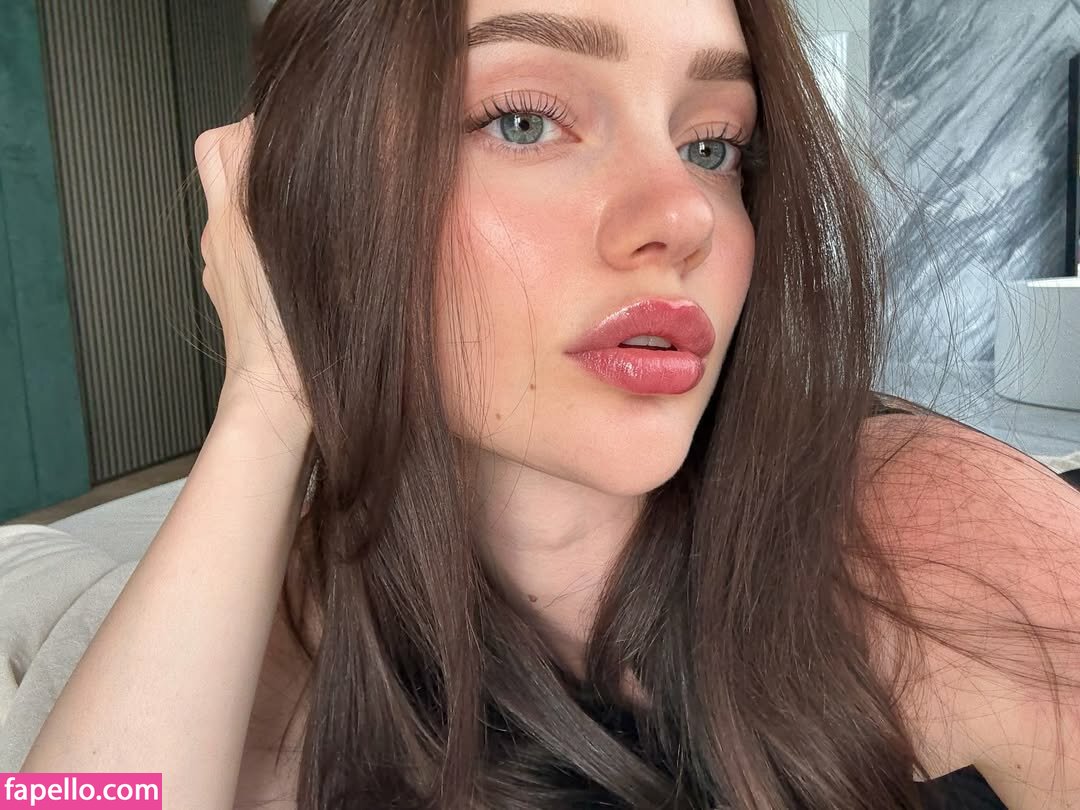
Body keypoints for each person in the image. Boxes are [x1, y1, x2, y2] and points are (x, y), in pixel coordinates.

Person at [20, 0, 1080, 807]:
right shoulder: (260, 634)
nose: (683, 214)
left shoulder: (946, 536)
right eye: (524, 121)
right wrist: (264, 395)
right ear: (327, 193)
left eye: (712, 145)